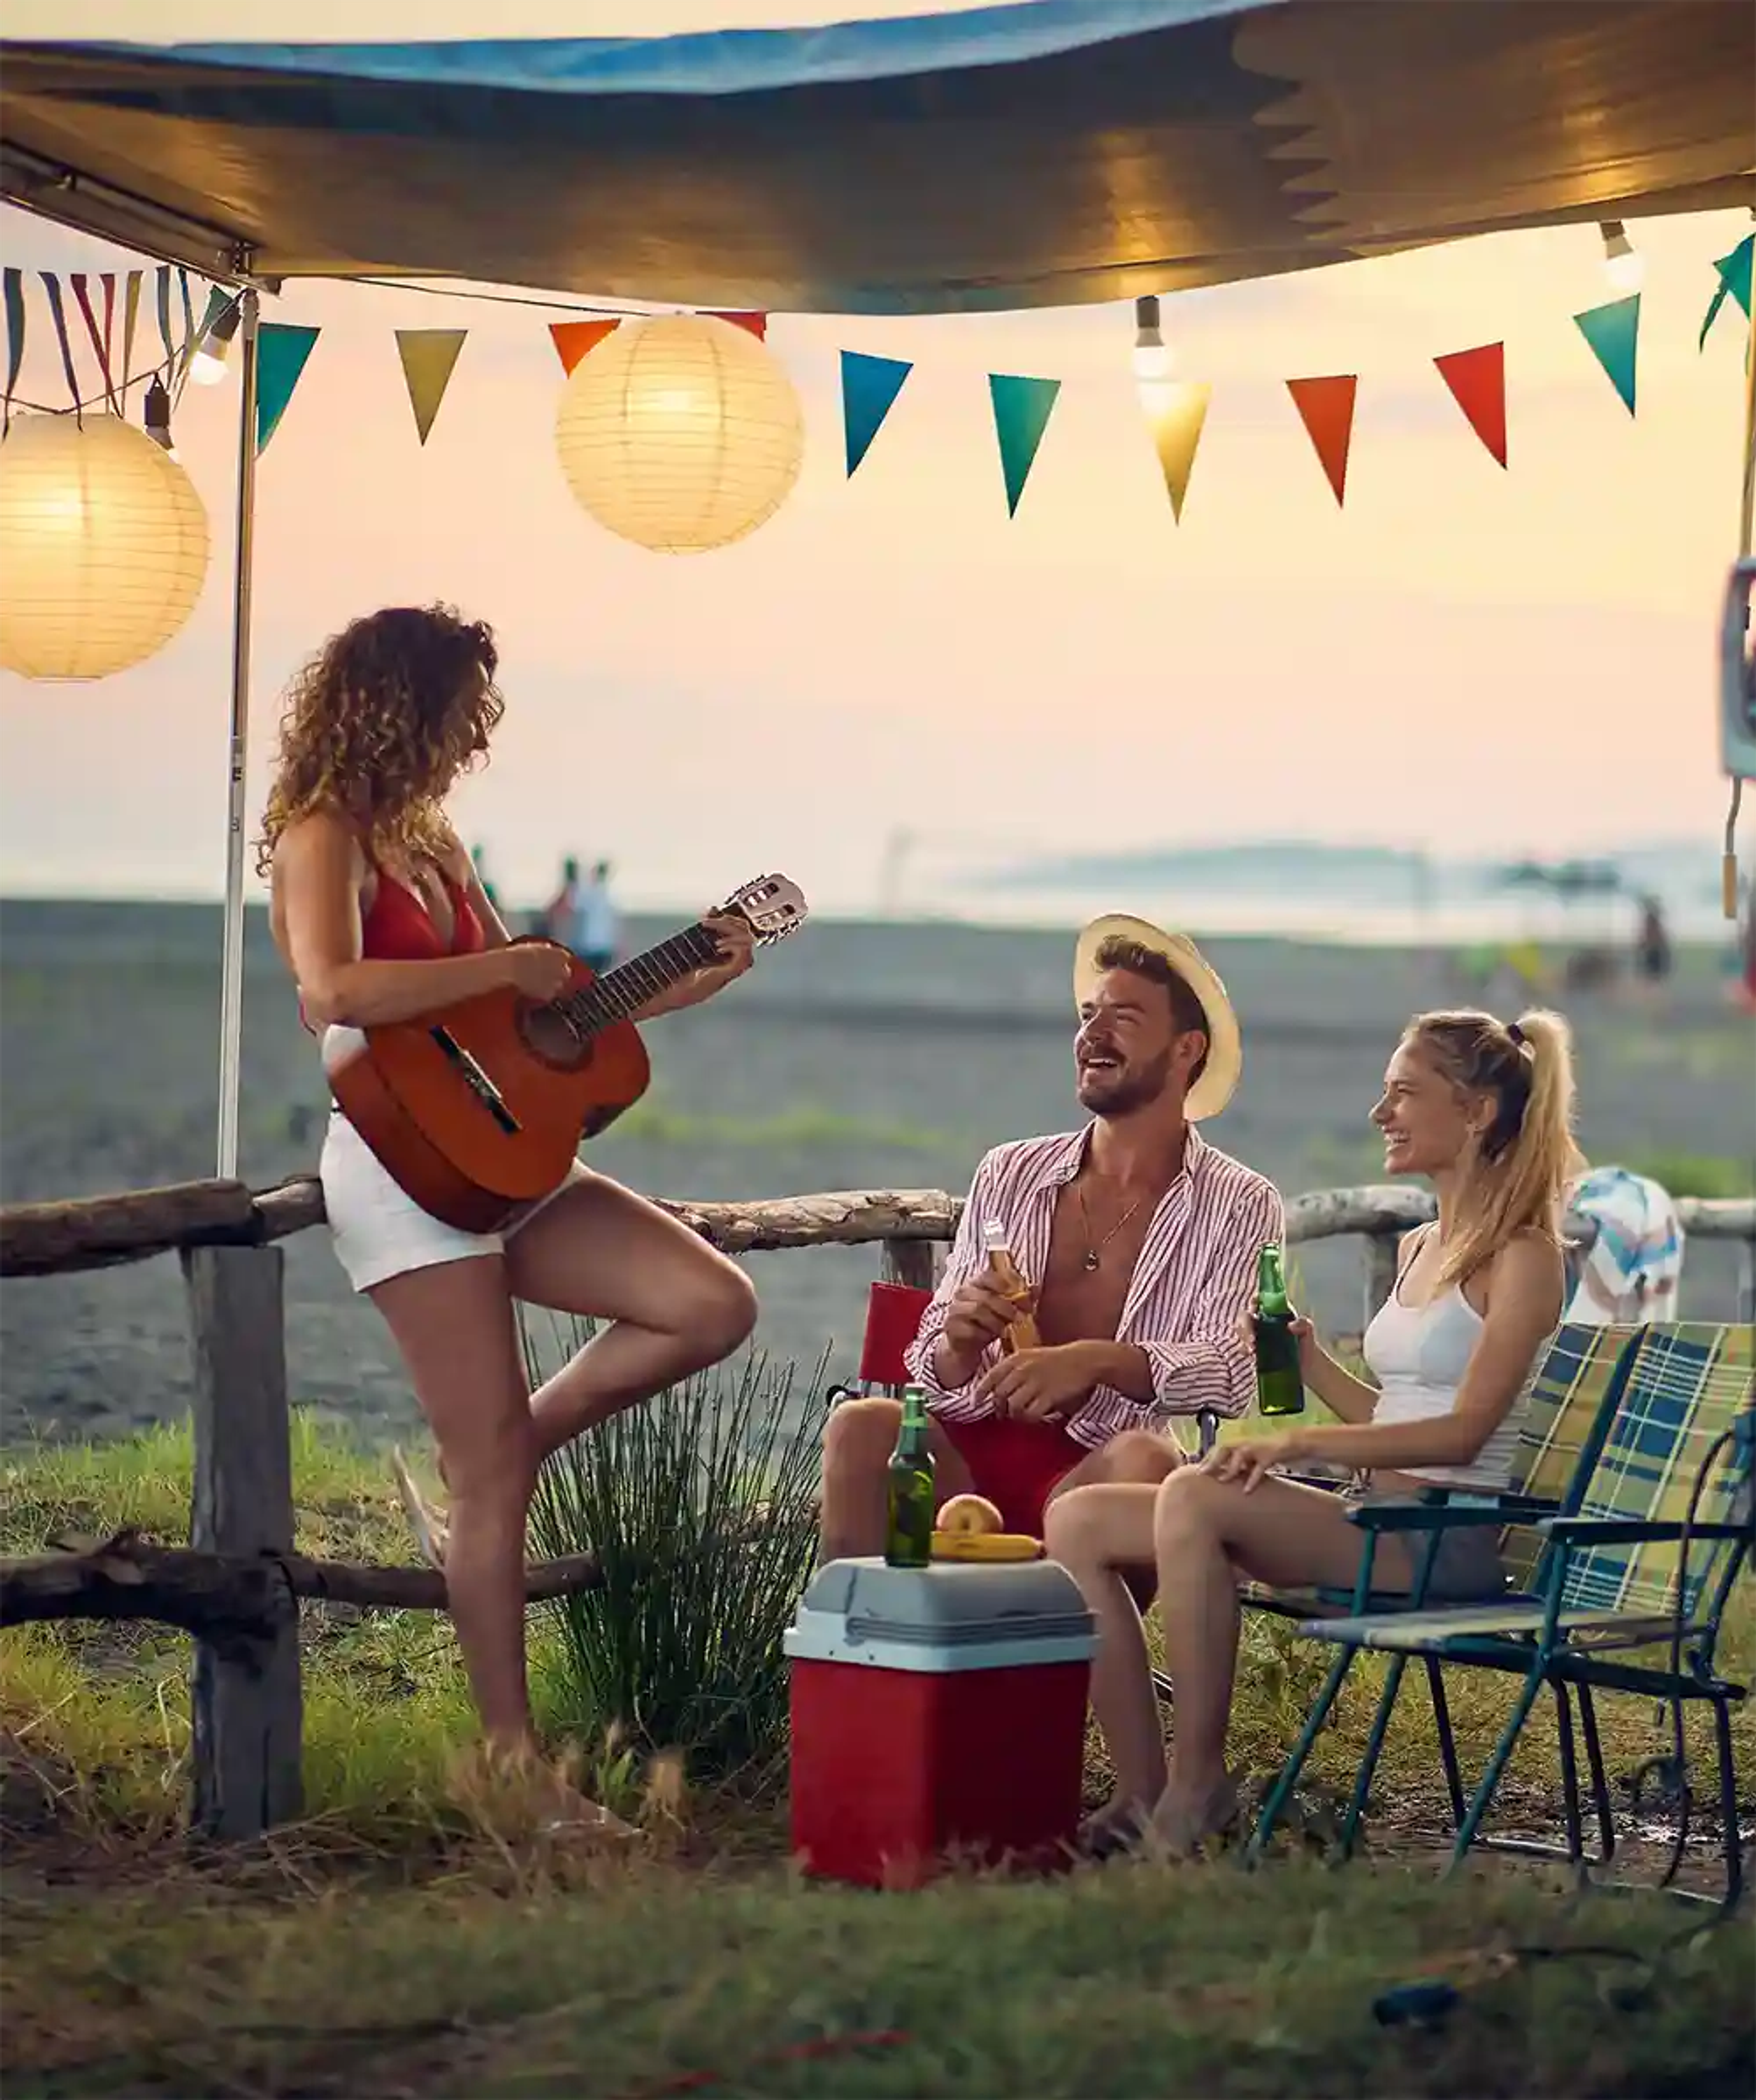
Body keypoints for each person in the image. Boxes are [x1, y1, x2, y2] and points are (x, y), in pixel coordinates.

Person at [261, 604, 760, 1811]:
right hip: (400, 1173)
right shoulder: (321, 835)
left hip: (503, 1158)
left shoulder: (437, 846)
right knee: (495, 1489)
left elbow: (531, 1033)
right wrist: (500, 961)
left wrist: (678, 986)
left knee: (710, 1304)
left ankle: (503, 1456)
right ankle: (514, 1775)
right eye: (459, 717)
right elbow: (331, 988)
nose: (469, 744)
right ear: (398, 707)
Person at [1045, 1007, 1581, 1859]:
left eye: (1405, 1094)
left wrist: (1298, 1445)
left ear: (1477, 1113)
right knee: (1078, 1522)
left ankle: (1198, 1784)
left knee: (1193, 1490)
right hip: (1373, 1521)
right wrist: (1313, 1363)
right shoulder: (1420, 1248)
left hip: (1446, 1539)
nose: (1383, 1114)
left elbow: (1464, 1431)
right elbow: (1398, 1417)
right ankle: (1143, 1791)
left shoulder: (1524, 1257)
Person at [818, 915, 1284, 1558]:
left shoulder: (1240, 1202)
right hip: (967, 1458)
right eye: (1088, 1014)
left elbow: (1232, 1375)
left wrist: (1094, 1360)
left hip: (1098, 1470)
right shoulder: (1009, 1170)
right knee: (863, 1425)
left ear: (1186, 1050)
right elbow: (931, 1361)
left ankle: (1061, 1652)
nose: (1091, 1034)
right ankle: (855, 1650)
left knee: (1150, 1457)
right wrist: (958, 1339)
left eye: (1123, 1017)